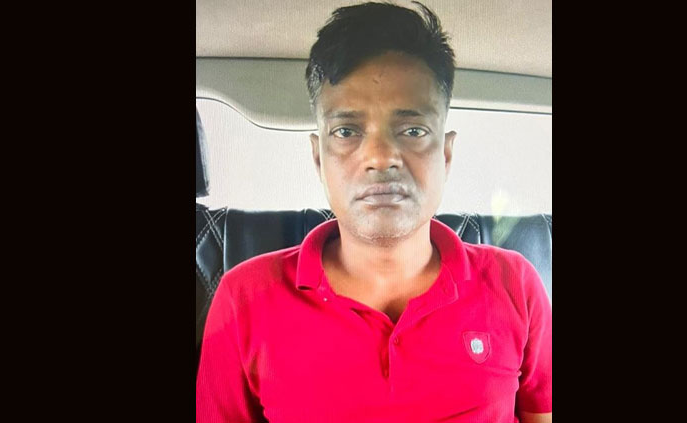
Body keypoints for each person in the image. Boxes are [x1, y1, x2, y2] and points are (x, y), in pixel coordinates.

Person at [196, 2, 552, 422]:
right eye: (347, 131)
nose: (381, 157)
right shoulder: (244, 299)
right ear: (318, 158)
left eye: (413, 130)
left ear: (446, 153)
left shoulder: (515, 285)